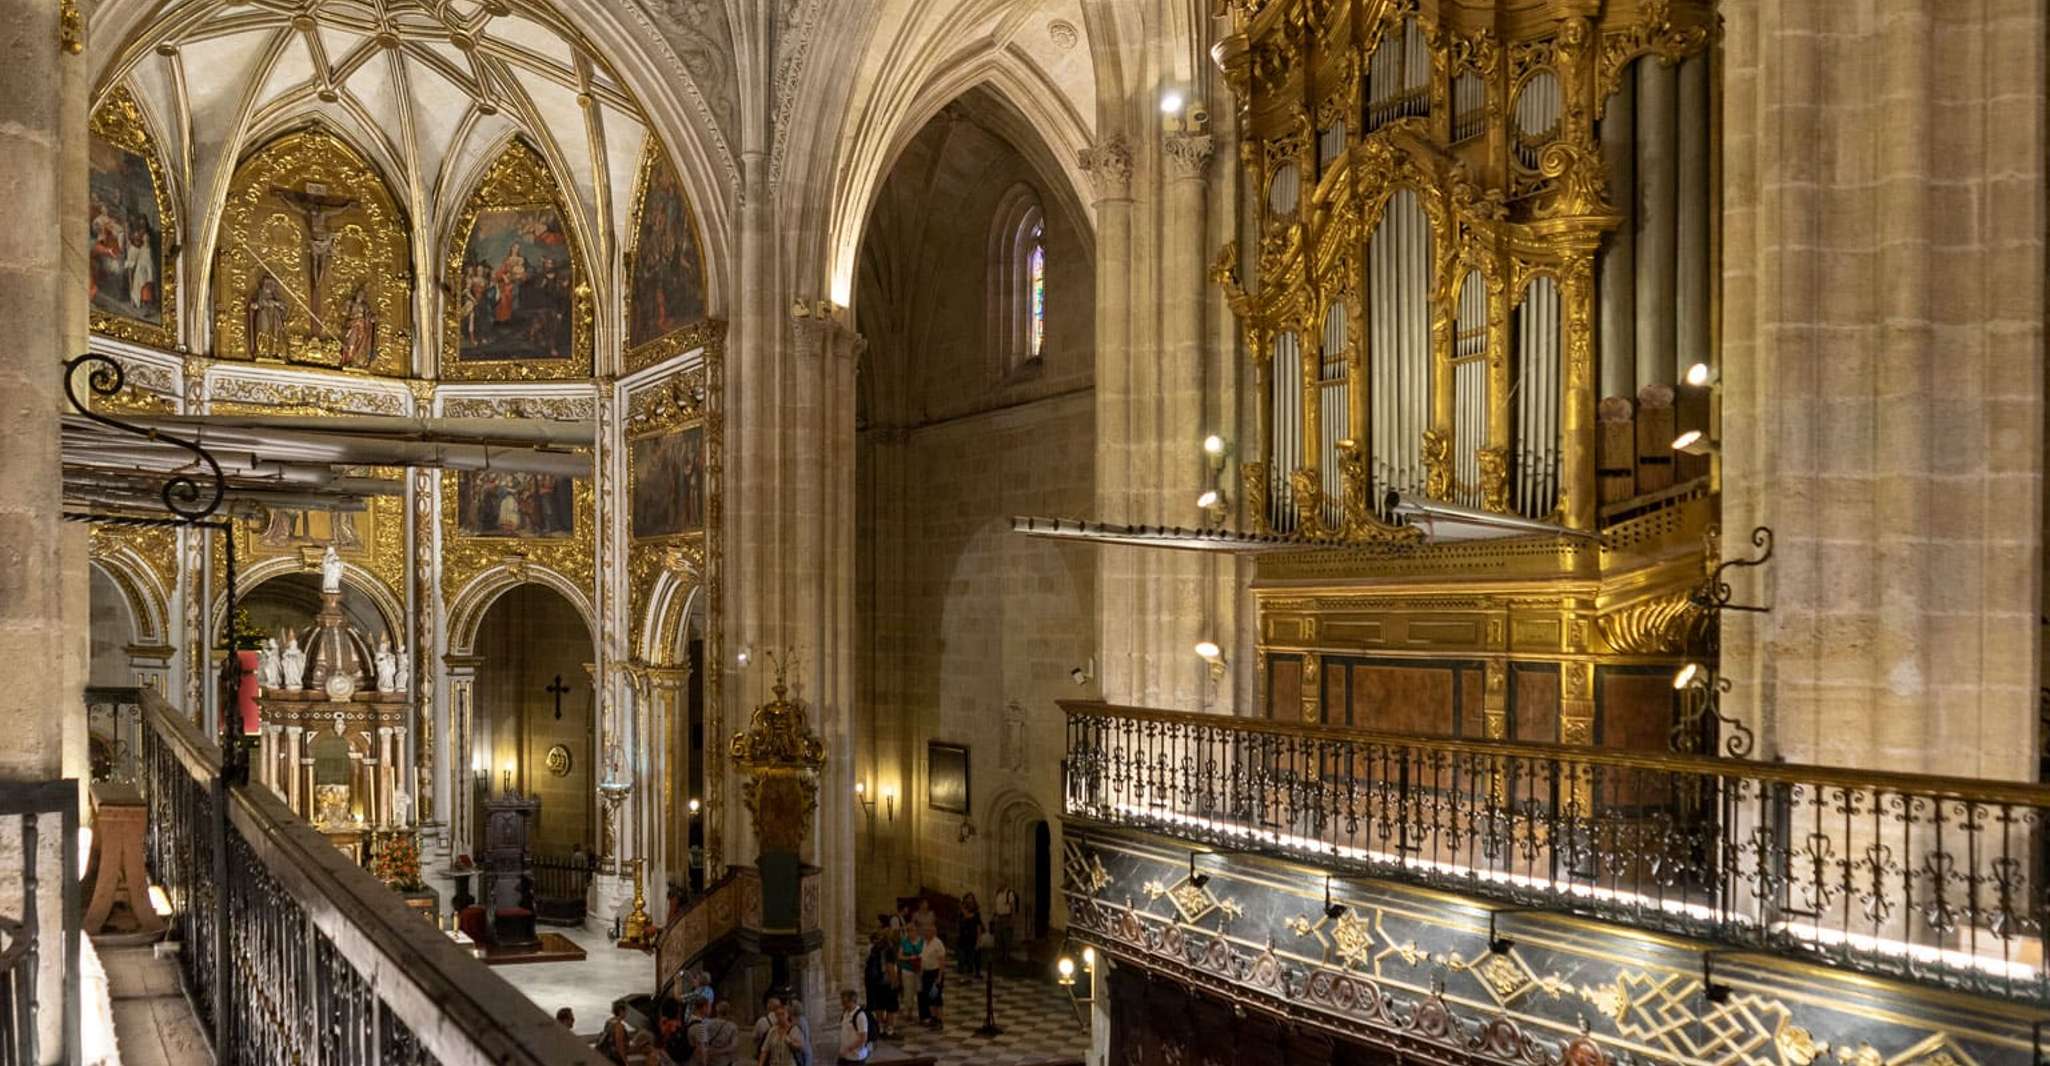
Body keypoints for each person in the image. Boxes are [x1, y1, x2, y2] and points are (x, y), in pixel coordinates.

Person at [862, 932, 899, 1039]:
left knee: (879, 1006)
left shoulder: (875, 949)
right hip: (887, 982)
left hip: (876, 982)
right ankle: (889, 1031)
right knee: (891, 1007)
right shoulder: (889, 950)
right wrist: (895, 981)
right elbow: (890, 967)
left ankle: (880, 1028)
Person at [754, 999, 804, 1066]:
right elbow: (765, 1049)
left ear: (787, 1015)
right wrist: (760, 1064)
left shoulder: (794, 1029)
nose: (780, 1017)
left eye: (782, 1014)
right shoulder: (772, 1031)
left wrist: (791, 1042)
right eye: (778, 1015)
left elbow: (800, 1046)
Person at [897, 923, 925, 1024]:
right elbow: (899, 956)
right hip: (907, 969)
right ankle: (909, 1012)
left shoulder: (921, 941)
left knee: (920, 991)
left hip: (919, 969)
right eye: (909, 931)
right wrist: (909, 958)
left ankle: (923, 1014)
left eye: (912, 931)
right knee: (908, 991)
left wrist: (919, 957)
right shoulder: (904, 942)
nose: (911, 933)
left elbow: (925, 953)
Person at [836, 990, 873, 1065]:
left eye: (844, 1001)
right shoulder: (846, 1013)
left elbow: (863, 1038)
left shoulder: (860, 1016)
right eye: (842, 1000)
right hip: (845, 1056)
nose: (842, 1003)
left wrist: (848, 1049)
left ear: (852, 1001)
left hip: (856, 1058)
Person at [697, 1001, 740, 1066]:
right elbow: (734, 1046)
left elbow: (702, 1041)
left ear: (717, 1010)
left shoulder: (708, 1023)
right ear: (728, 1011)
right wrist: (720, 1051)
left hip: (710, 1059)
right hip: (725, 1060)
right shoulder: (733, 1027)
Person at [918, 937, 947, 1029]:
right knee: (929, 996)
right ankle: (933, 1018)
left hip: (935, 972)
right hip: (926, 973)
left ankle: (940, 1020)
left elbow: (942, 960)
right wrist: (921, 971)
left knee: (936, 997)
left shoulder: (938, 943)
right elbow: (923, 958)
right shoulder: (925, 943)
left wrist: (939, 976)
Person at [957, 893, 985, 978]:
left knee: (971, 957)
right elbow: (961, 921)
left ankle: (971, 974)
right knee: (962, 958)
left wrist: (978, 939)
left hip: (972, 937)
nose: (969, 901)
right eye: (968, 899)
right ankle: (962, 974)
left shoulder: (976, 913)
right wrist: (962, 909)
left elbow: (978, 927)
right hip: (963, 937)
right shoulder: (961, 912)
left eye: (971, 899)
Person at [598, 1000, 632, 1064]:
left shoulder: (609, 1022)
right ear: (621, 1011)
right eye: (625, 1011)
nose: (626, 1013)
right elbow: (619, 1045)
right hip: (616, 1057)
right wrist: (625, 1061)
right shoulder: (619, 1026)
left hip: (608, 1055)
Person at [992, 884, 1020, 964]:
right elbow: (997, 906)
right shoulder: (998, 893)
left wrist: (1012, 920)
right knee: (998, 936)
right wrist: (994, 916)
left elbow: (1013, 907)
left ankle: (1006, 957)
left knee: (1007, 937)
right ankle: (1000, 955)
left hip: (1006, 917)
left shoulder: (1009, 893)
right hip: (999, 917)